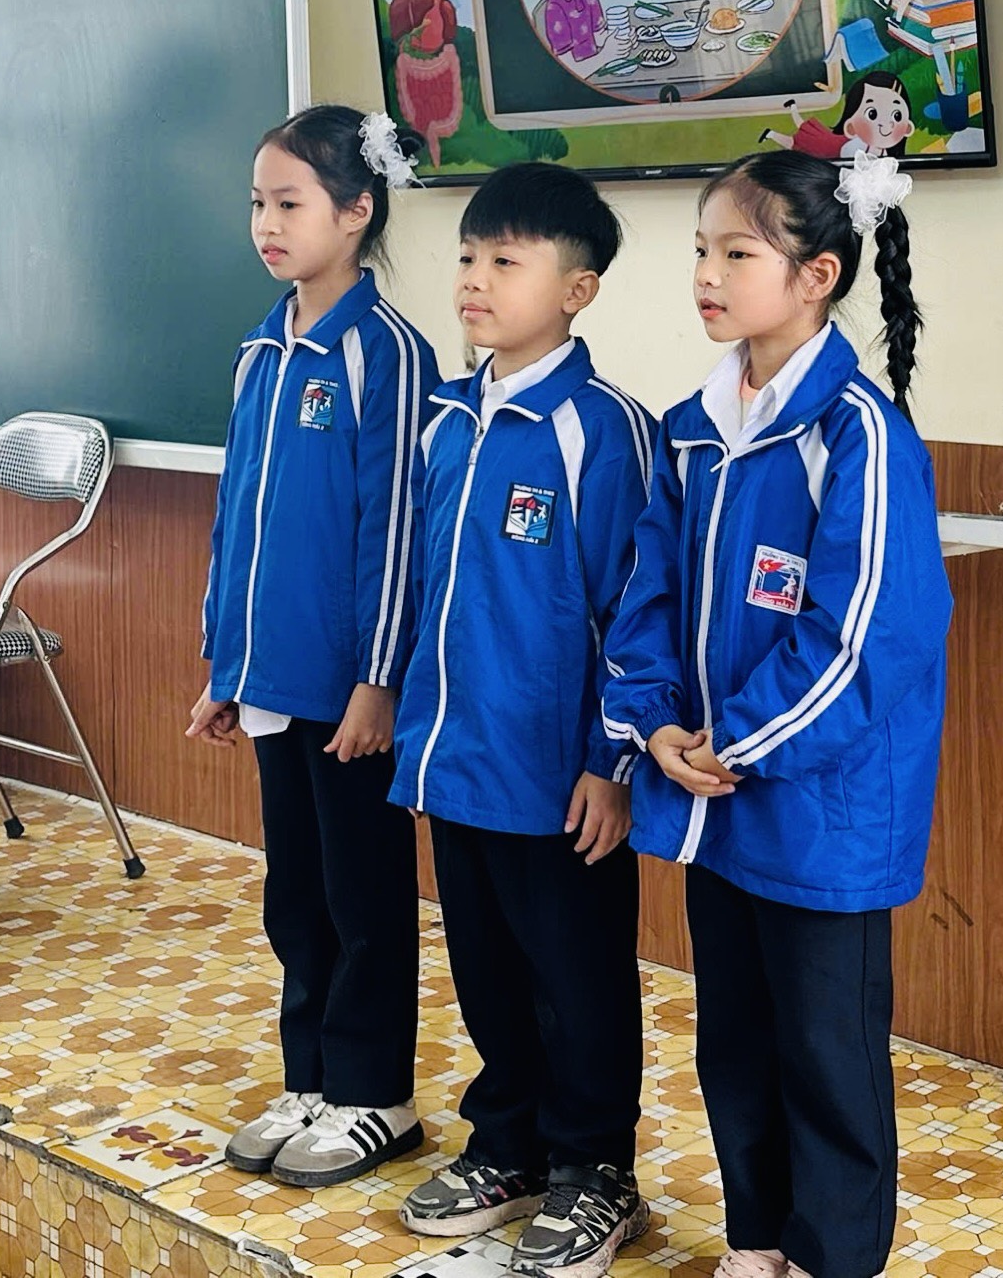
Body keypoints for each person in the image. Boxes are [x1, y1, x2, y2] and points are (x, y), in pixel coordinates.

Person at [601, 148, 952, 1278]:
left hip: (820, 812)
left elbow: (869, 634)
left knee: (825, 1050)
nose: (706, 275)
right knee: (738, 1041)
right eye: (700, 251)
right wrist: (652, 722)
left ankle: (831, 1257)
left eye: (736, 253)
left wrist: (740, 742)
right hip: (716, 799)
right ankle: (757, 1240)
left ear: (817, 276)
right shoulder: (691, 430)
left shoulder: (858, 434)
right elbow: (645, 592)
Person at [390, 164, 655, 1275]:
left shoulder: (603, 430)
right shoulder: (446, 422)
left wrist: (611, 762)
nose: (475, 280)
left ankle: (596, 1168)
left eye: (506, 261)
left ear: (578, 290)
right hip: (457, 760)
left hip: (559, 778)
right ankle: (509, 1144)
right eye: (467, 257)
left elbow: (636, 608)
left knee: (577, 977)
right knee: (488, 969)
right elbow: (424, 592)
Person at [189, 105, 438, 1188]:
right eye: (258, 203)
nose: (267, 224)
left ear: (356, 211)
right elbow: (235, 519)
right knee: (295, 892)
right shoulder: (260, 351)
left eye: (289, 203)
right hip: (271, 677)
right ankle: (314, 1079)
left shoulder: (387, 352)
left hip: (349, 691)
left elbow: (395, 531)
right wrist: (225, 665)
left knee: (362, 894)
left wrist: (378, 680)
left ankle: (376, 1091)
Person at [765, 69, 914, 161]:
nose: (886, 124)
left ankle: (772, 131)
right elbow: (846, 155)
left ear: (907, 127)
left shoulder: (883, 152)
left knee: (800, 135)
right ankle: (788, 113)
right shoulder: (857, 146)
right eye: (872, 114)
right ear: (851, 127)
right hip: (824, 147)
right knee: (801, 134)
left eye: (897, 116)